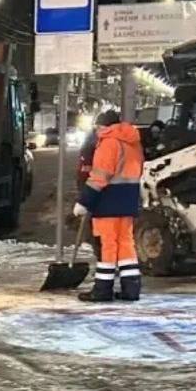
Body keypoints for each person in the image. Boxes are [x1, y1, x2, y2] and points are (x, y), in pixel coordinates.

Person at [73, 110, 144, 302]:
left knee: (108, 245)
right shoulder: (133, 143)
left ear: (103, 126)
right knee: (126, 244)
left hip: (108, 201)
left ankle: (102, 290)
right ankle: (131, 289)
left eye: (97, 127)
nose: (96, 131)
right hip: (128, 199)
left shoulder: (109, 143)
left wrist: (84, 201)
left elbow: (99, 177)